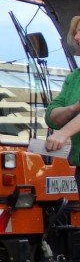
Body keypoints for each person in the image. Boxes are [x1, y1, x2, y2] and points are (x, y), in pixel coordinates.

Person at [45, 16, 80, 182]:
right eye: (76, 32)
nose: (76, 37)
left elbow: (60, 129)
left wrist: (64, 133)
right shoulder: (74, 77)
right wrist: (74, 108)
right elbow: (51, 117)